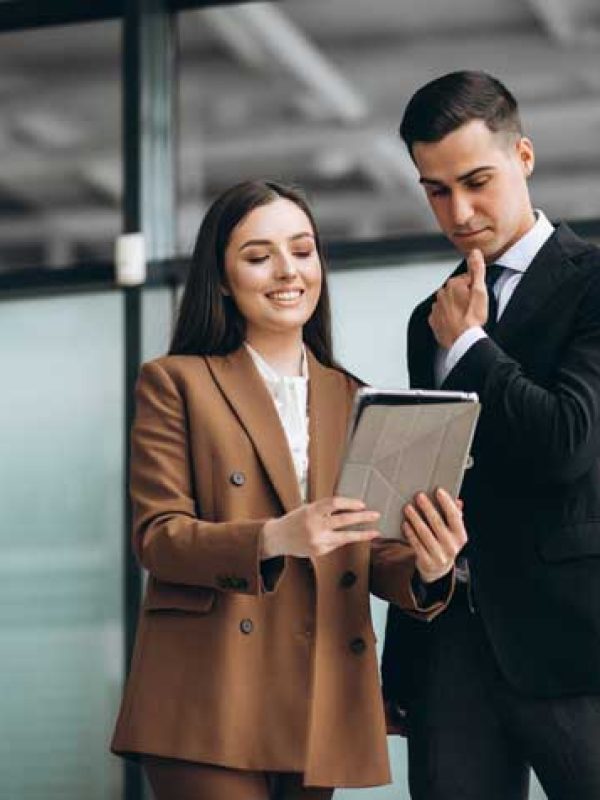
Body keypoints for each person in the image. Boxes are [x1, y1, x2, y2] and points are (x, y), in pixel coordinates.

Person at [110, 179, 467, 800]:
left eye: (302, 251)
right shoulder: (176, 383)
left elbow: (367, 543)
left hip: (317, 692)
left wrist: (430, 568)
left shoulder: (352, 394)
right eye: (258, 256)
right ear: (221, 279)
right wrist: (278, 536)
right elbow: (158, 539)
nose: (288, 271)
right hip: (209, 691)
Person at [382, 71, 600, 800]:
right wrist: (402, 663)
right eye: (436, 189)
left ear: (525, 157)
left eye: (477, 180)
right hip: (453, 648)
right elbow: (438, 478)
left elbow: (567, 441)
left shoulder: (593, 282)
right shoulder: (429, 316)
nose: (460, 210)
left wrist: (472, 343)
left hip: (572, 642)